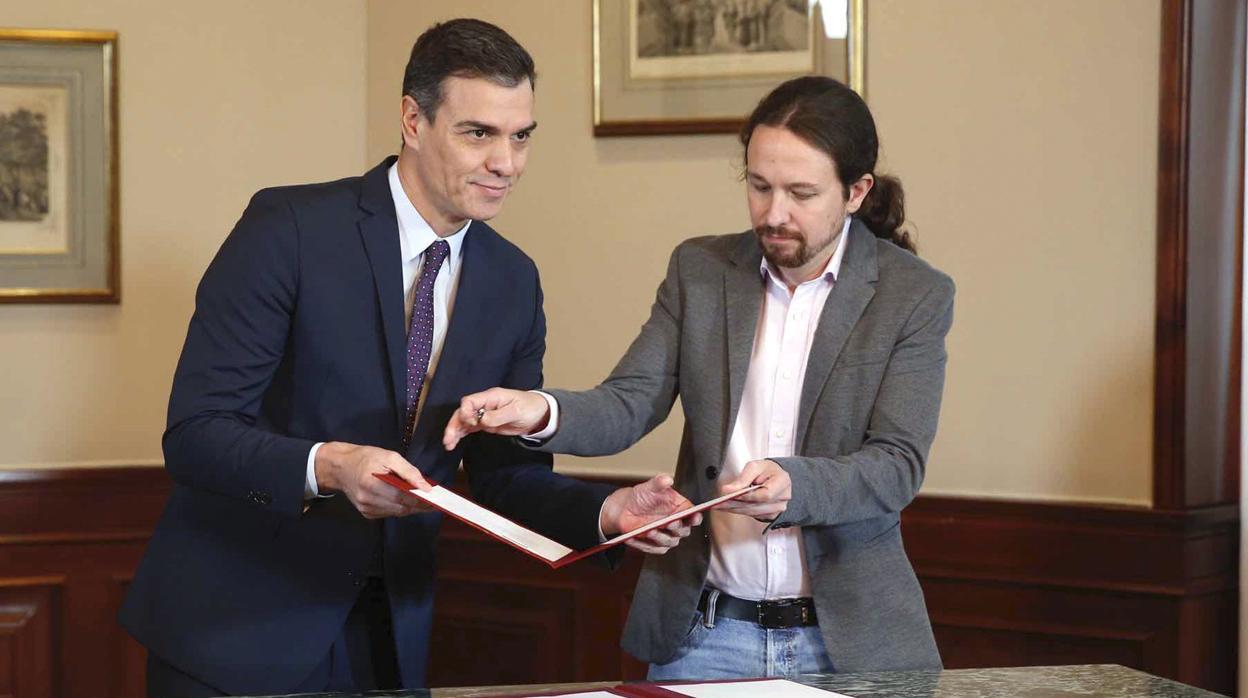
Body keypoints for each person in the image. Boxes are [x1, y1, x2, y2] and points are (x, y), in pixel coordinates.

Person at [120, 19, 698, 697]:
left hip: (392, 638)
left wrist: (607, 513)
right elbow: (195, 435)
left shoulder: (513, 280)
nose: (506, 163)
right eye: (478, 133)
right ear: (413, 120)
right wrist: (330, 466)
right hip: (236, 632)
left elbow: (506, 477)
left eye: (520, 137)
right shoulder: (289, 229)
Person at [445, 75, 954, 679]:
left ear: (855, 191)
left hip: (849, 645)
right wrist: (539, 410)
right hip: (704, 636)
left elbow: (896, 465)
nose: (775, 214)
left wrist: (793, 486)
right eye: (760, 187)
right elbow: (630, 402)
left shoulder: (913, 294)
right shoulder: (702, 269)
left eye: (801, 193)